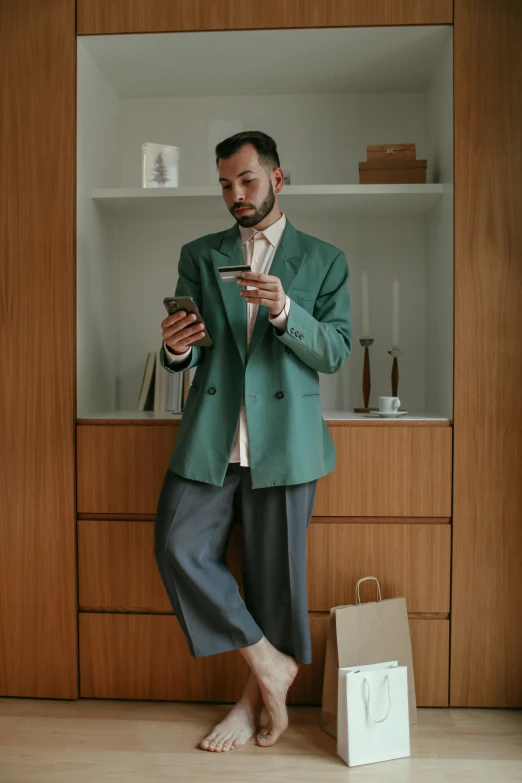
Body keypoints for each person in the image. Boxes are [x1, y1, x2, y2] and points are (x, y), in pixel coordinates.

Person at [154, 131, 352, 753]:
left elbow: (337, 350)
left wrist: (286, 310)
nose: (234, 195)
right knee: (177, 544)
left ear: (277, 178)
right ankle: (271, 664)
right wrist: (176, 347)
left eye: (246, 181)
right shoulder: (199, 252)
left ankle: (250, 701)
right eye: (224, 184)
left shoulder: (324, 260)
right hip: (212, 434)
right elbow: (186, 354)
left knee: (274, 578)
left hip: (286, 441)